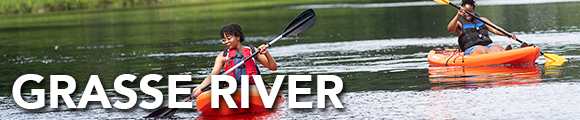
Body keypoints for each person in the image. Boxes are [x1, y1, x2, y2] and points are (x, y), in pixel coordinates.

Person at [191, 23, 277, 96]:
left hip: (252, 88)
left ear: (238, 37)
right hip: (232, 90)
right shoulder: (223, 56)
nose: (226, 42)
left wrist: (266, 53)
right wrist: (199, 88)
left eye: (229, 38)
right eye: (224, 40)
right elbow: (212, 76)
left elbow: (273, 67)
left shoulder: (252, 51)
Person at [447, 0, 522, 55]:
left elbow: (495, 30)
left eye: (470, 11)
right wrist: (458, 15)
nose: (468, 14)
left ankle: (508, 52)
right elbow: (450, 29)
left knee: (499, 49)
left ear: (474, 10)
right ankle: (502, 56)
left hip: (487, 45)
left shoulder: (482, 20)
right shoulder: (459, 23)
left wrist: (507, 34)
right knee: (486, 51)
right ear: (462, 11)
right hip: (471, 49)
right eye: (465, 11)